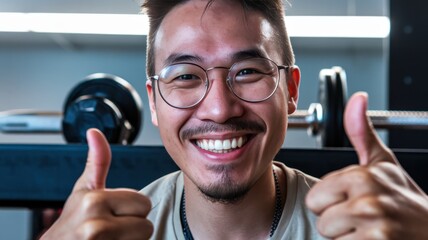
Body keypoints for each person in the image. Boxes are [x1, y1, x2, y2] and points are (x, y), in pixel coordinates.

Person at [41, 0, 428, 239]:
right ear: (154, 103)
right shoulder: (113, 236)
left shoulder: (362, 229)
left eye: (247, 71)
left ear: (291, 90)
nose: (220, 108)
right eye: (187, 77)